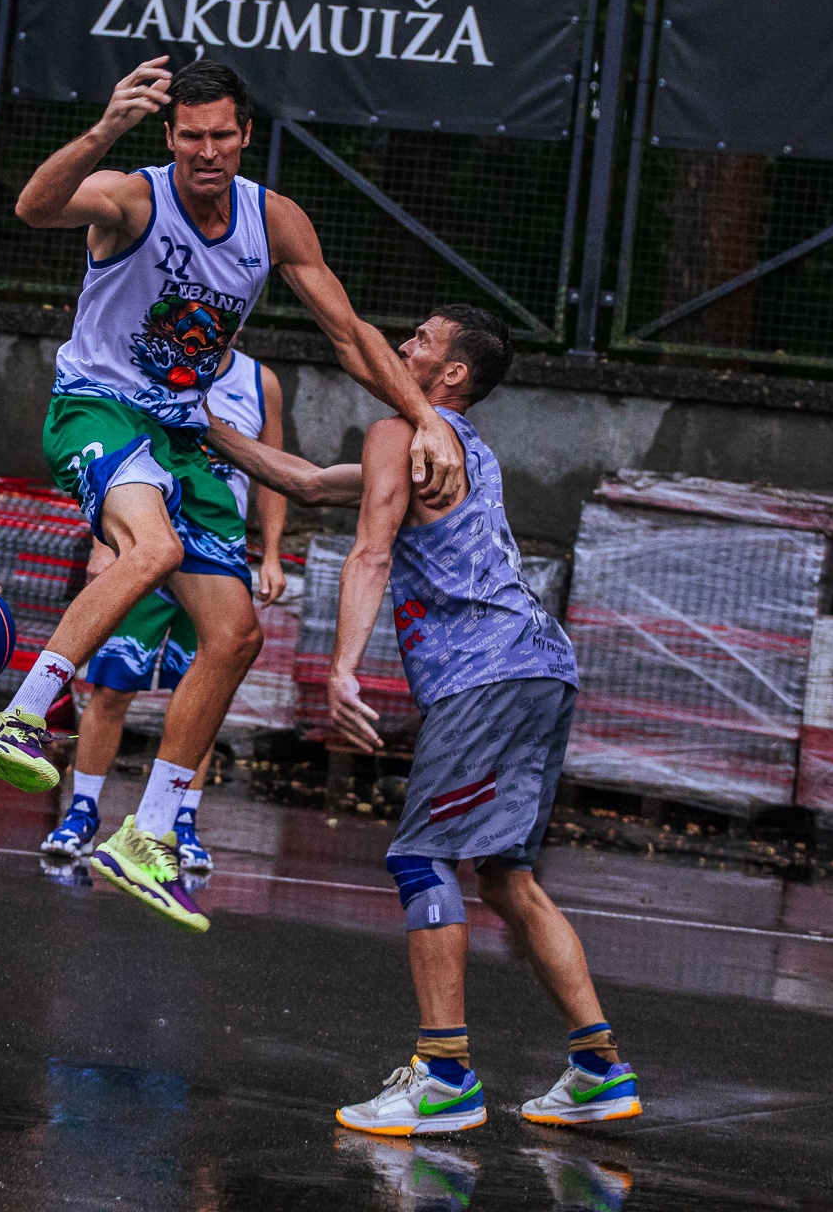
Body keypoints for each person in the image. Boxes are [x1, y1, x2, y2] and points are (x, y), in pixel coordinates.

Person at [0, 56, 465, 934]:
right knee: (150, 550)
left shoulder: (275, 220)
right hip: (101, 409)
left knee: (235, 635)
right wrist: (103, 128)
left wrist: (424, 419)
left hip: (185, 434)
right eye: (189, 136)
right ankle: (20, 718)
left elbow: (349, 334)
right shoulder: (133, 199)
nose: (206, 151)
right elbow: (34, 208)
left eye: (221, 135)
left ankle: (147, 833)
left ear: (244, 135)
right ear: (169, 136)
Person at [206, 306, 641, 1135]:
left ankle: (444, 1077)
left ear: (452, 375)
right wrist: (204, 427)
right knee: (507, 878)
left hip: (485, 673)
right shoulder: (456, 445)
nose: (402, 346)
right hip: (540, 666)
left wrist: (341, 666)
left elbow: (370, 549)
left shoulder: (398, 432)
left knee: (420, 858)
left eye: (420, 342)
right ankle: (598, 1069)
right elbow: (307, 483)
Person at [43, 345, 288, 872]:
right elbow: (118, 449)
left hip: (215, 555)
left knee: (202, 693)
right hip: (150, 542)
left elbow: (275, 475)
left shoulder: (260, 381)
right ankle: (82, 811)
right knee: (112, 685)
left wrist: (271, 553)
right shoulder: (154, 356)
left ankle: (177, 821)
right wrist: (103, 546)